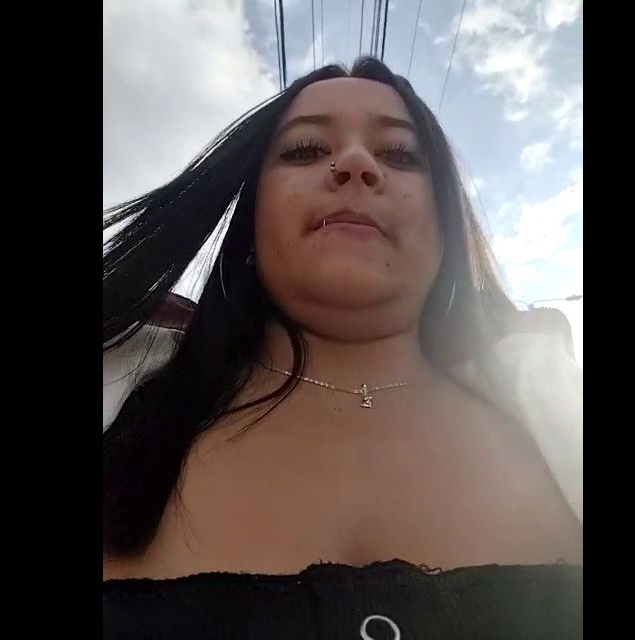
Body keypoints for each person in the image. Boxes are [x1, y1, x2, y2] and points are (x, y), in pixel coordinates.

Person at [103, 57, 583, 638]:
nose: (356, 164)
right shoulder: (123, 393)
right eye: (305, 149)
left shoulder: (558, 417)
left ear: (446, 229)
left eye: (400, 155)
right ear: (251, 220)